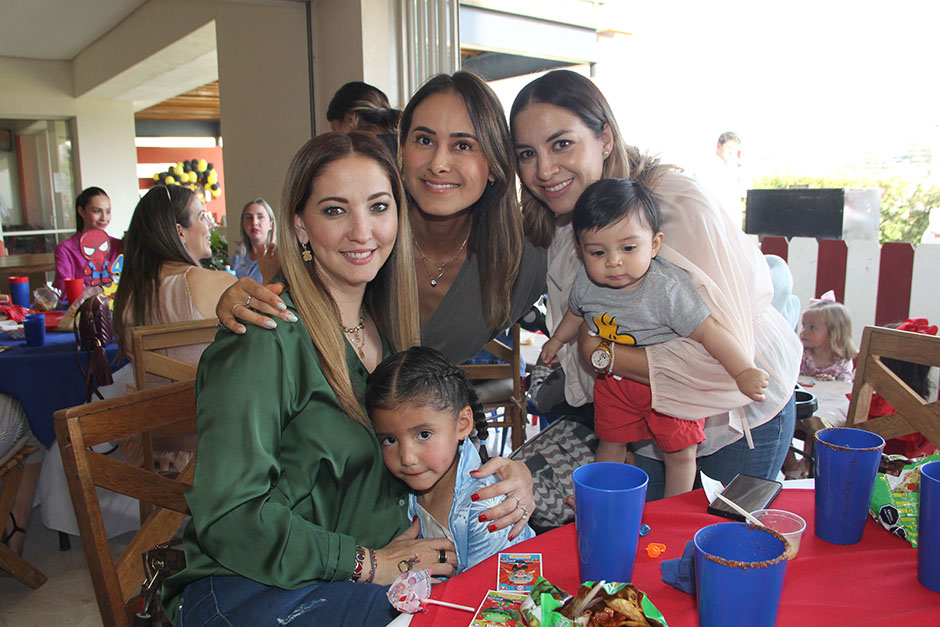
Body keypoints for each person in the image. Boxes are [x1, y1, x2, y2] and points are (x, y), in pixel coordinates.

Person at [165, 132, 534, 627]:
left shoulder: (391, 335)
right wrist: (366, 563)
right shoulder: (262, 337)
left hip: (361, 576)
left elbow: (432, 447)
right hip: (252, 588)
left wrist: (510, 476)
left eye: (379, 207)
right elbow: (230, 517)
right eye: (335, 210)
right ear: (299, 225)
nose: (363, 231)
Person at [510, 70, 801, 500]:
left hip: (739, 420)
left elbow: (718, 353)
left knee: (720, 552)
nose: (544, 169)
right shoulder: (563, 225)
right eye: (527, 154)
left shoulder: (678, 206)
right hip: (647, 414)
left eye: (561, 144)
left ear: (605, 138)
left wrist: (602, 353)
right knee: (651, 550)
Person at [216, 72, 546, 367]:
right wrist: (242, 300)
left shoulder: (524, 256)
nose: (438, 163)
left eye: (463, 145)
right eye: (425, 140)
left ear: (494, 165)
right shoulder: (362, 234)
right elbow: (287, 307)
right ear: (402, 152)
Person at [540, 177, 768, 496]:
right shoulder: (586, 283)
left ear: (655, 244)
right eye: (597, 252)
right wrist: (556, 341)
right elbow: (575, 314)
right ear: (580, 251)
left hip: (668, 387)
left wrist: (742, 371)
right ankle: (606, 496)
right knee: (611, 442)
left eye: (628, 248)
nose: (614, 261)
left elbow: (710, 333)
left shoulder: (667, 290)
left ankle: (670, 511)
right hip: (616, 385)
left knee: (680, 452)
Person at [366, 346, 535, 574]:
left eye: (424, 434)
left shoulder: (486, 508)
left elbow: (494, 596)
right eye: (389, 439)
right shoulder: (405, 489)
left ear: (463, 424)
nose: (406, 458)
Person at [53, 186, 123, 294]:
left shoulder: (118, 245)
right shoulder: (66, 249)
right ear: (81, 211)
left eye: (108, 212)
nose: (104, 218)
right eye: (97, 211)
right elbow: (64, 292)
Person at [327, 81, 401, 155]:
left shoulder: (363, 155)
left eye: (334, 129)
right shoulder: (404, 145)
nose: (334, 137)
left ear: (351, 120)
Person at [692, 131, 748, 228]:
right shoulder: (706, 167)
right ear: (719, 146)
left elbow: (744, 192)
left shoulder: (733, 169)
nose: (732, 152)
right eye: (730, 147)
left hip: (732, 226)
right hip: (713, 223)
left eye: (735, 149)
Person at [799, 296, 857, 383]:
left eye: (812, 327)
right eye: (804, 325)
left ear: (832, 333)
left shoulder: (842, 361)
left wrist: (833, 382)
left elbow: (845, 388)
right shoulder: (801, 353)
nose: (804, 332)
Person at [228, 197, 278, 282]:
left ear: (271, 224)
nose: (254, 222)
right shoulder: (236, 259)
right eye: (248, 217)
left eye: (260, 217)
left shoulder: (278, 256)